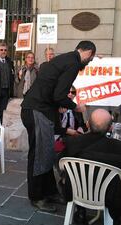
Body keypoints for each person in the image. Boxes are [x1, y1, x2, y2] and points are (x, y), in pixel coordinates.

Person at [21, 41, 95, 212]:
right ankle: (37, 196)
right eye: (90, 58)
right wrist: (75, 106)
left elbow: (54, 92)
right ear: (88, 52)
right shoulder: (74, 62)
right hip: (37, 111)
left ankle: (50, 192)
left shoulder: (65, 59)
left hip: (39, 110)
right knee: (39, 156)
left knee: (46, 153)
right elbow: (59, 95)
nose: (90, 61)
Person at [62, 109, 121, 225]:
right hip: (110, 197)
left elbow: (62, 165)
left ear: (88, 124)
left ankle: (81, 211)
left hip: (76, 191)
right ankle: (114, 218)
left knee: (80, 174)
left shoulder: (72, 142)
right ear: (110, 128)